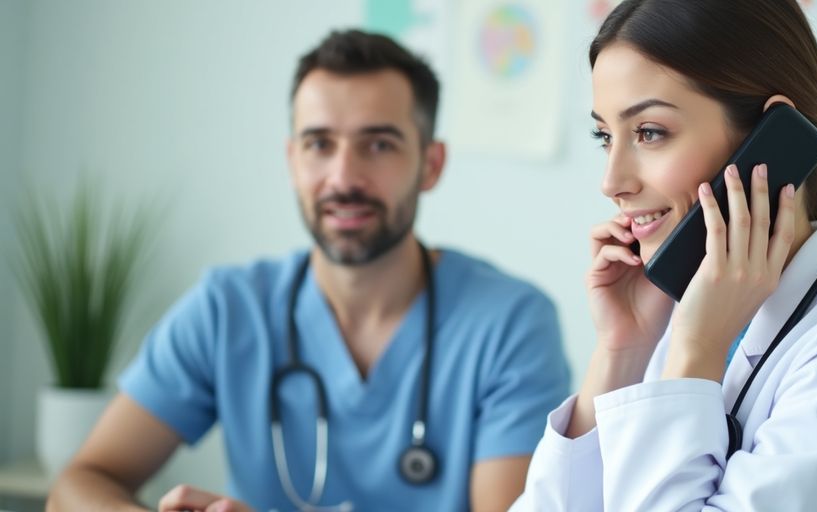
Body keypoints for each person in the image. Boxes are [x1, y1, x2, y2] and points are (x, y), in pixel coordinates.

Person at [47, 29, 570, 512]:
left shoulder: (509, 323)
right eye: (319, 144)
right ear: (292, 159)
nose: (343, 177)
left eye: (378, 145)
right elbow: (79, 484)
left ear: (431, 164)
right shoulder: (228, 310)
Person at [512, 1, 817, 510]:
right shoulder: (676, 317)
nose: (612, 182)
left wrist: (696, 350)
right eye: (605, 136)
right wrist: (622, 350)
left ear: (769, 140)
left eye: (650, 132)